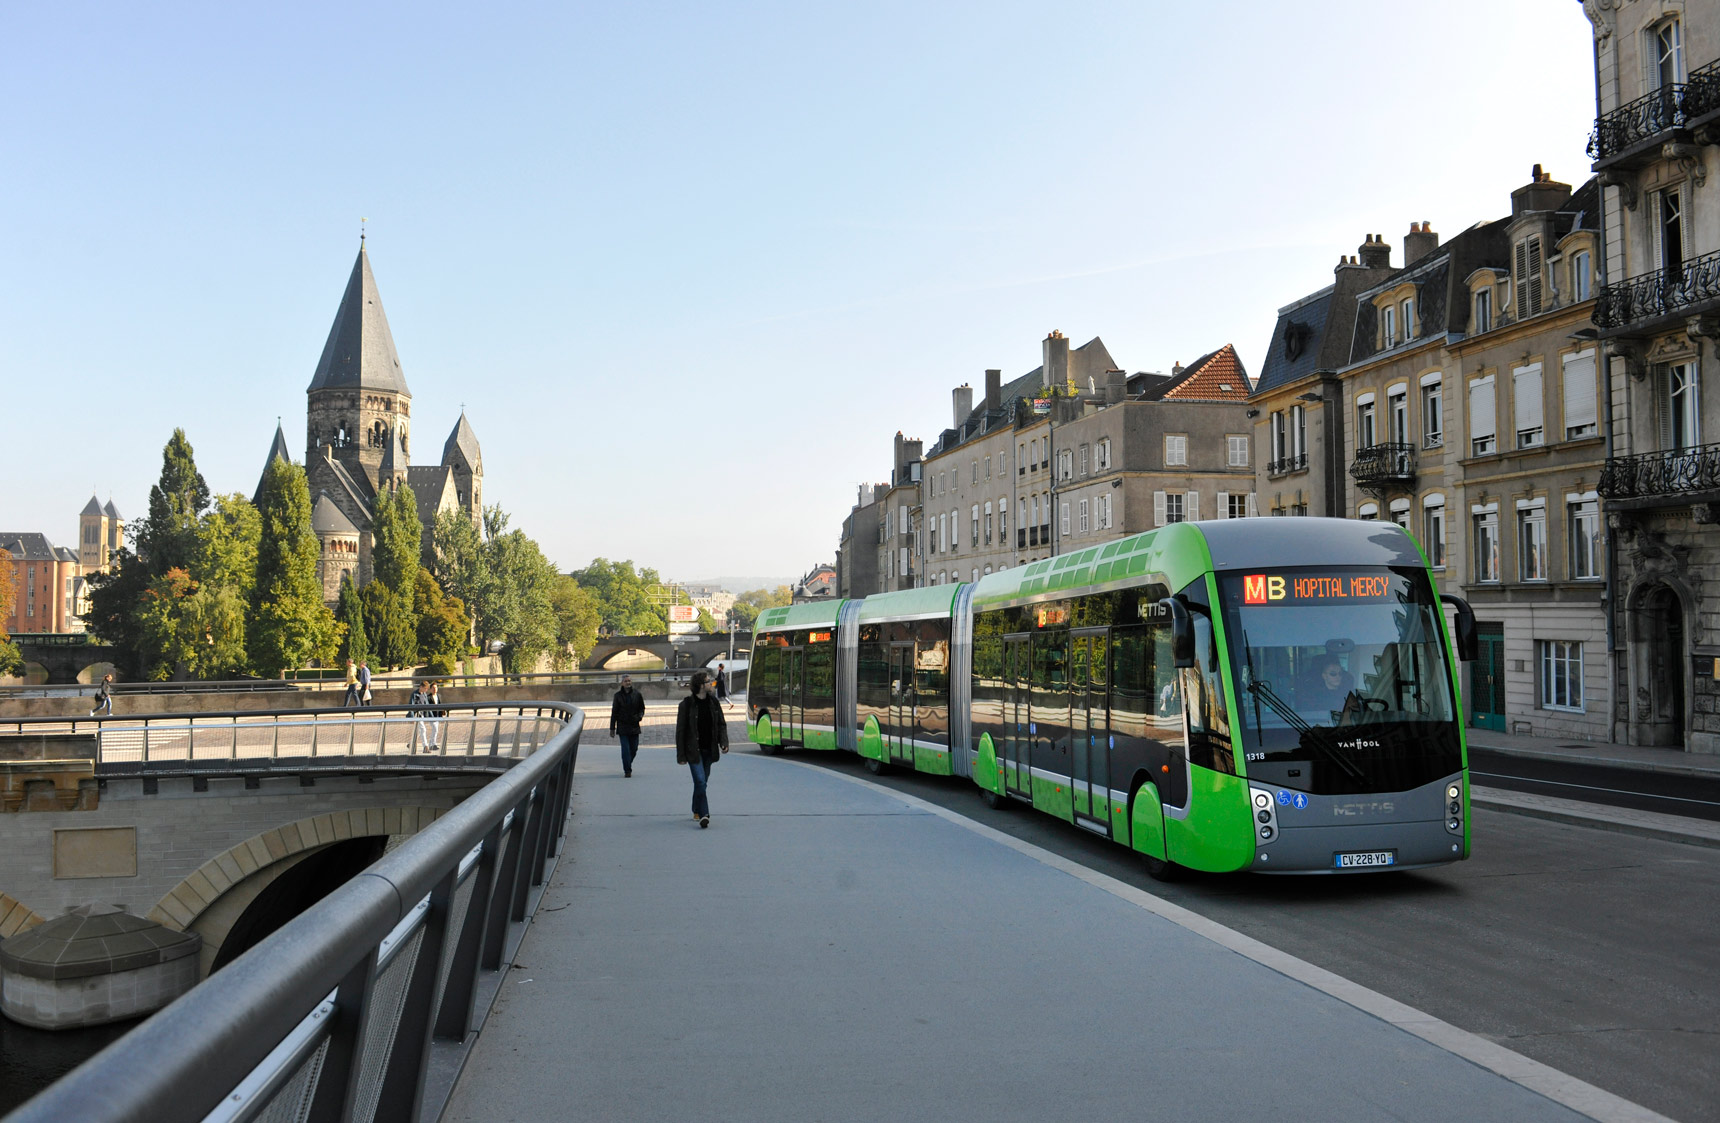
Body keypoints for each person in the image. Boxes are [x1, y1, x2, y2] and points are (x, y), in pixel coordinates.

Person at [675, 670, 728, 828]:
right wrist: (681, 755)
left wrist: (723, 742)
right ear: (700, 685)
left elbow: (721, 724)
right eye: (708, 681)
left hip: (709, 749)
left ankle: (696, 808)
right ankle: (704, 814)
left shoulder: (714, 702)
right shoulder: (686, 705)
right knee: (700, 780)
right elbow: (681, 731)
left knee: (702, 783)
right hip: (693, 751)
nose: (711, 683)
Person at [610, 674, 646, 777]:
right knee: (625, 749)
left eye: (629, 681)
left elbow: (642, 708)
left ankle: (628, 763)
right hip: (622, 725)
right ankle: (627, 770)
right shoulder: (617, 696)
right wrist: (612, 728)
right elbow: (614, 712)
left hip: (634, 725)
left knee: (634, 749)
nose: (628, 683)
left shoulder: (637, 694)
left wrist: (639, 717)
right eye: (626, 681)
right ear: (622, 683)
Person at [409, 680, 438, 750]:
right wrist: (412, 717)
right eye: (425, 688)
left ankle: (411, 743)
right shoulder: (414, 694)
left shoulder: (424, 694)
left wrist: (432, 717)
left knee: (429, 728)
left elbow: (427, 705)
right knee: (423, 729)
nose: (426, 690)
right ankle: (425, 746)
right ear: (421, 687)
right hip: (417, 715)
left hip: (423, 714)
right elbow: (411, 705)